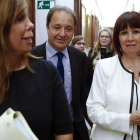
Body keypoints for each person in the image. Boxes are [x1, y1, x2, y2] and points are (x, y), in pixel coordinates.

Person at [0, 0, 73, 140]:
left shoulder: (46, 72)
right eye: (20, 18)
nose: (31, 24)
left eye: (28, 17)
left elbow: (64, 132)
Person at [31, 6, 90, 140]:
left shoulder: (80, 58)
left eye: (68, 29)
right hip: (41, 134)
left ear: (74, 30)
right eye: (56, 27)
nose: (62, 34)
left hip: (75, 131)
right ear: (47, 27)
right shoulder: (31, 57)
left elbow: (85, 94)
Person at [86, 11, 140, 140]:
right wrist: (129, 119)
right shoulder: (104, 66)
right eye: (124, 33)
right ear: (117, 38)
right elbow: (94, 111)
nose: (130, 38)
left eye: (136, 32)